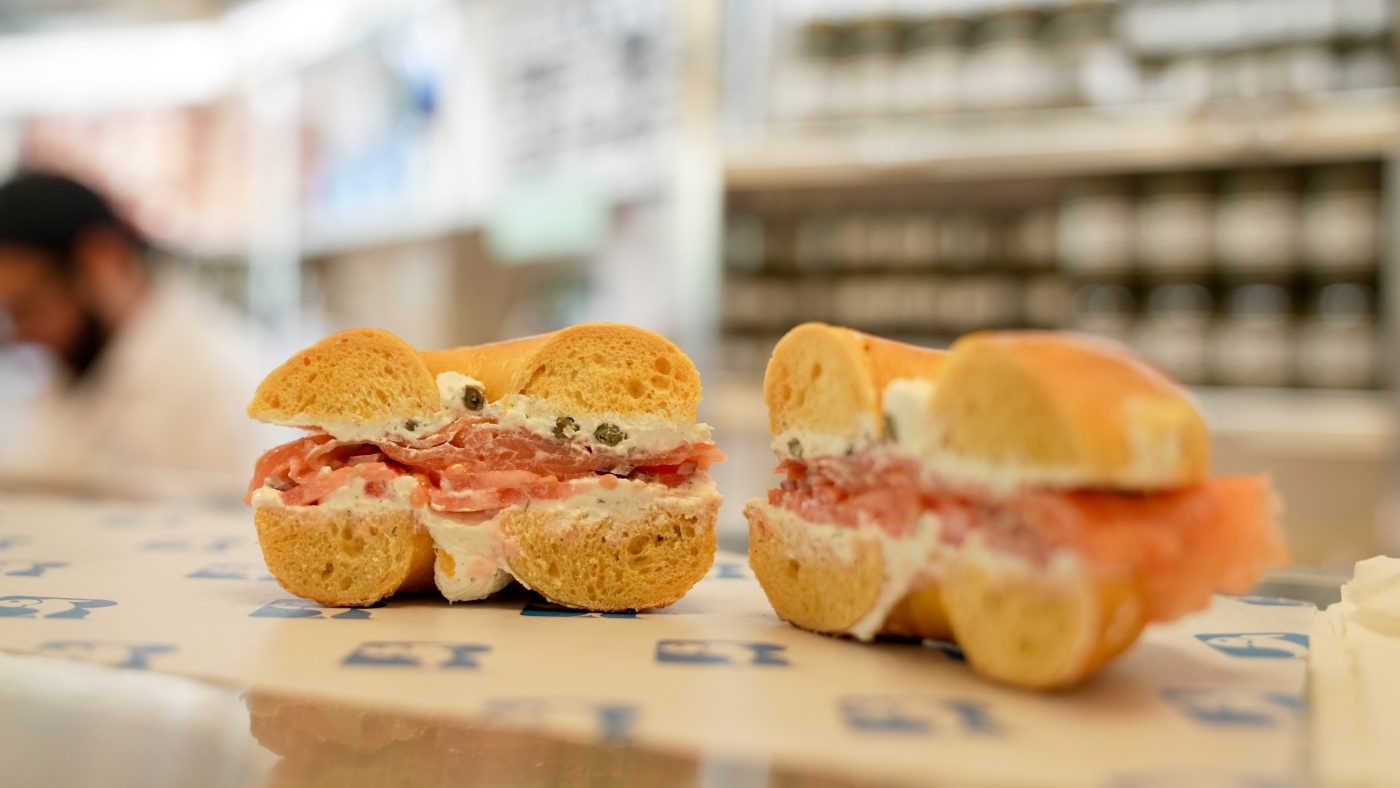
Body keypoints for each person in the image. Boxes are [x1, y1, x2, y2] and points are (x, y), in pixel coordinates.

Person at [0, 172, 275, 498]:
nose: (21, 336)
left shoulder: (218, 378)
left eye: (28, 307)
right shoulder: (70, 360)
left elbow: (245, 518)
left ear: (101, 261)